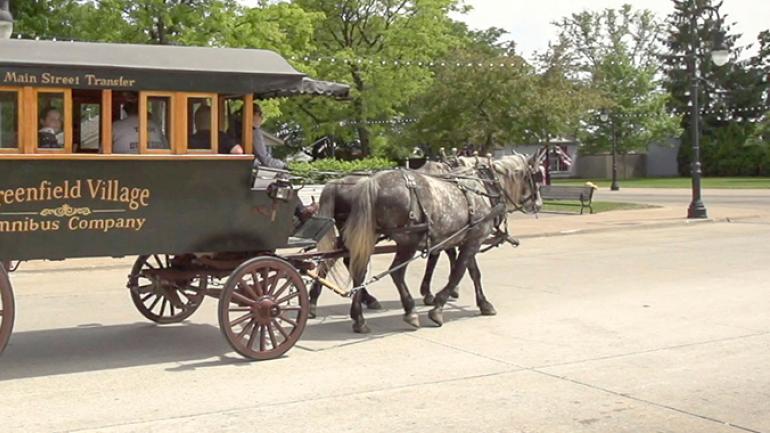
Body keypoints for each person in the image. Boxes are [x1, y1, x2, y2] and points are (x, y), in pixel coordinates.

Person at [252, 103, 287, 168]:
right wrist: (282, 164)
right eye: (260, 115)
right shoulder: (254, 132)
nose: (261, 118)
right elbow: (265, 160)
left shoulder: (234, 130)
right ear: (254, 115)